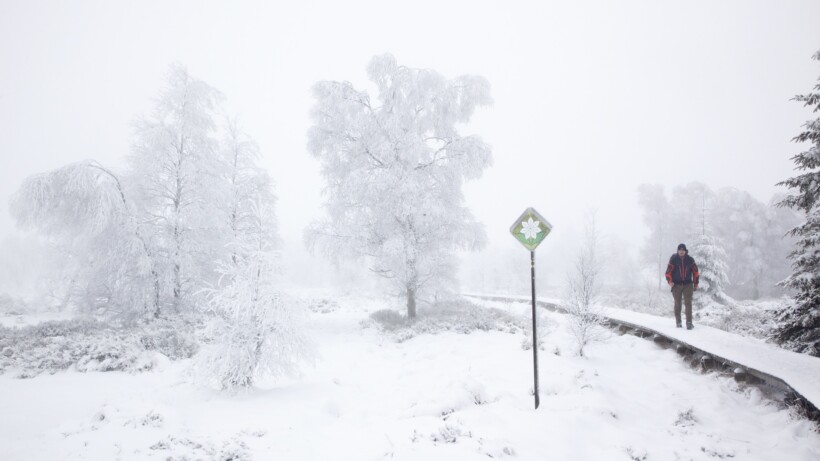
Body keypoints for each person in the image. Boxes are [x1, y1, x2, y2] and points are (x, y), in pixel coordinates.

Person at [665, 243, 699, 329]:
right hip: (676, 285)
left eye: (683, 250)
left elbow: (695, 272)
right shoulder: (673, 259)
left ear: (685, 251)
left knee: (688, 304)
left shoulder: (690, 260)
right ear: (677, 250)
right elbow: (668, 272)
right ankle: (678, 322)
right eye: (679, 250)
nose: (681, 251)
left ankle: (689, 323)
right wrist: (670, 281)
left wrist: (696, 283)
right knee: (677, 304)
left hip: (688, 284)